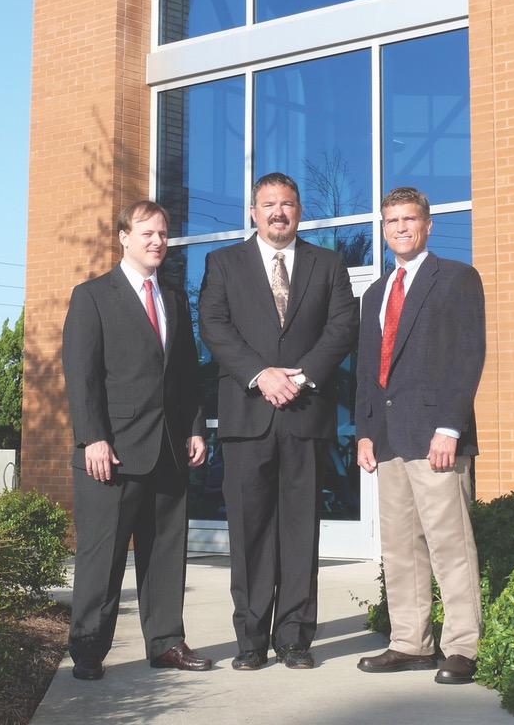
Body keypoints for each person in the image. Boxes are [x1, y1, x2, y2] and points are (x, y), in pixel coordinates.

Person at [198, 172, 359, 670]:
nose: (278, 212)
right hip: (248, 419)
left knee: (299, 531)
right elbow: (213, 326)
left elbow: (343, 327)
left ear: (299, 211)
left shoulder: (328, 264)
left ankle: (294, 638)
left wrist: (304, 375)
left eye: (287, 204)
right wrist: (260, 374)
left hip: (306, 418)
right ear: (253, 212)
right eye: (268, 204)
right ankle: (250, 640)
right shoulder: (222, 263)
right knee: (249, 533)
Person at [62, 199, 211, 681]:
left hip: (168, 448)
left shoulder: (172, 298)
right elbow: (81, 376)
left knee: (166, 552)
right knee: (101, 556)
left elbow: (186, 373)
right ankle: (87, 649)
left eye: (163, 233)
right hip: (113, 454)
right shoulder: (92, 296)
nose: (157, 241)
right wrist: (92, 440)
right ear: (123, 237)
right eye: (147, 232)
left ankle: (166, 642)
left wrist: (195, 427)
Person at [355, 186, 485, 685]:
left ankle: (462, 646)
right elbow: (368, 369)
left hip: (437, 437)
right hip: (388, 440)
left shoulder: (455, 279)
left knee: (450, 544)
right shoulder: (374, 291)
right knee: (401, 547)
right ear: (384, 229)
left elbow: (467, 357)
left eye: (410, 219)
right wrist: (366, 433)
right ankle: (410, 643)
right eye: (392, 221)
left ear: (428, 224)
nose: (401, 228)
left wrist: (450, 426)